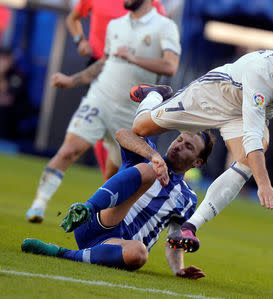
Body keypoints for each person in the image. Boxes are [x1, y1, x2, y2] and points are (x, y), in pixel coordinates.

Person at [125, 49, 273, 252]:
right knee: (140, 128)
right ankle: (155, 94)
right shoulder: (262, 75)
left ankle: (190, 227)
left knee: (248, 160)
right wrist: (263, 184)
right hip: (212, 95)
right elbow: (252, 138)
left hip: (240, 114)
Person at [26, 0, 181, 223]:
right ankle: (38, 205)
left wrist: (133, 58)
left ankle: (100, 222)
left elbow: (170, 66)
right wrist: (72, 81)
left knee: (114, 177)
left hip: (131, 113)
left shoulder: (164, 26)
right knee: (69, 149)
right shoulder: (116, 25)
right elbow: (105, 63)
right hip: (100, 98)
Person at [21, 130, 214, 277]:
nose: (179, 145)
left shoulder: (188, 199)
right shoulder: (148, 156)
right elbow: (122, 134)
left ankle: (60, 253)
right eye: (179, 139)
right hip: (97, 220)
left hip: (117, 247)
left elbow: (174, 240)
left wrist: (178, 269)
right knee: (149, 171)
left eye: (189, 146)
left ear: (197, 162)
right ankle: (87, 207)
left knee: (139, 253)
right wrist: (153, 156)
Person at [65, 0, 166, 180]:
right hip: (99, 65)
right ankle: (110, 183)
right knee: (103, 124)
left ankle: (113, 181)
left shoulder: (152, 5)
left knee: (122, 130)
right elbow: (73, 18)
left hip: (132, 72)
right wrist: (79, 40)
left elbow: (162, 40)